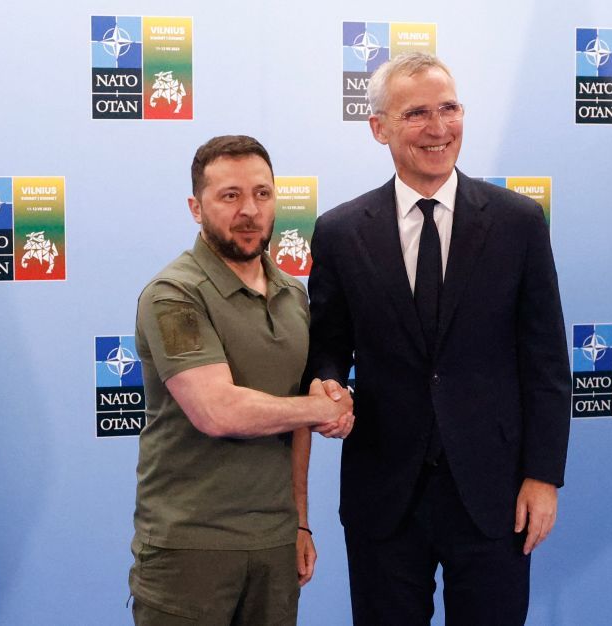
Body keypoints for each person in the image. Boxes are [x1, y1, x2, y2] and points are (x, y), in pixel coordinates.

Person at [304, 53, 571, 625]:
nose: (438, 128)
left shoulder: (518, 222)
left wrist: (544, 477)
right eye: (417, 113)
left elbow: (547, 362)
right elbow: (327, 345)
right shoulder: (340, 232)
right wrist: (327, 383)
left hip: (495, 495)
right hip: (384, 494)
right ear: (380, 128)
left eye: (449, 109)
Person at [129, 135, 353, 625]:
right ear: (196, 206)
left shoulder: (293, 293)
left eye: (262, 194)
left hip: (275, 544)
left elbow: (295, 422)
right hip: (190, 547)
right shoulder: (173, 294)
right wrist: (322, 408)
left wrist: (300, 522)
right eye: (230, 195)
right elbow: (217, 410)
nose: (249, 210)